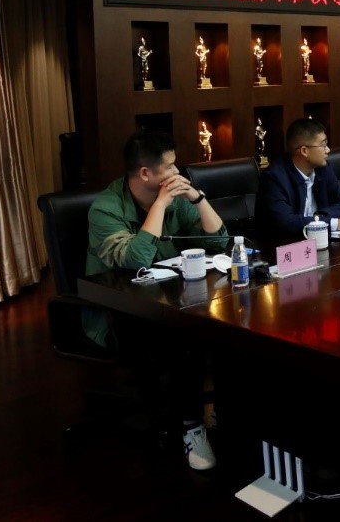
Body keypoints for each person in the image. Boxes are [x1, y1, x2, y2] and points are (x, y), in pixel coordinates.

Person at [85, 130, 227, 470]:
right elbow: (137, 258)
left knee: (226, 326)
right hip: (117, 313)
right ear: (146, 173)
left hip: (168, 301)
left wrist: (197, 198)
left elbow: (219, 242)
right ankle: (192, 426)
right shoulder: (105, 209)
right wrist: (161, 204)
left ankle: (226, 411)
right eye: (170, 166)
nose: (177, 172)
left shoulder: (177, 197)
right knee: (187, 338)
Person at [256, 118, 340, 240]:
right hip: (283, 246)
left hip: (320, 242)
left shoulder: (323, 169)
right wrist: (334, 223)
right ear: (304, 151)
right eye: (323, 145)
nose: (328, 150)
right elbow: (285, 222)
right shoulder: (274, 178)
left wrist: (319, 216)